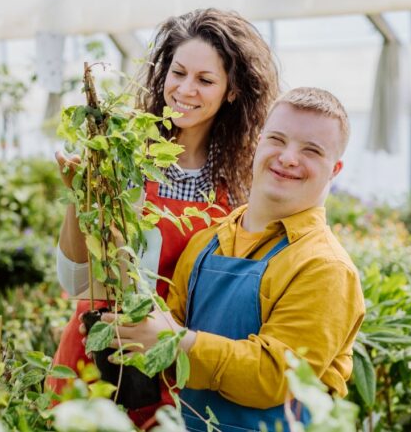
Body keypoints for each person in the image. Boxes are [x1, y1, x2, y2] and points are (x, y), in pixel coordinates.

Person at [48, 8, 281, 427]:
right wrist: (80, 195)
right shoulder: (124, 154)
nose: (185, 90)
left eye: (205, 80)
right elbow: (74, 281)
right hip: (99, 356)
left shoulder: (239, 186)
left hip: (175, 370)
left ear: (231, 91)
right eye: (178, 73)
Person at [102, 87, 366, 431]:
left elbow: (274, 376)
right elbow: (168, 356)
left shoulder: (324, 267)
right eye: (277, 139)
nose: (288, 157)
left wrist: (174, 342)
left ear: (335, 169)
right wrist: (128, 335)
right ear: (257, 143)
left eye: (311, 150)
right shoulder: (205, 243)